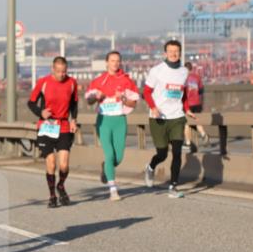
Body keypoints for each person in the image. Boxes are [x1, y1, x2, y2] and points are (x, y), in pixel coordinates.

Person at [143, 40, 196, 198]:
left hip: (177, 117)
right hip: (158, 117)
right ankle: (151, 167)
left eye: (176, 51)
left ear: (180, 53)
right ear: (165, 53)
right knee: (162, 154)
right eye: (170, 51)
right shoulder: (157, 71)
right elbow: (146, 92)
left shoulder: (183, 72)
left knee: (177, 152)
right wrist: (153, 107)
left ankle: (173, 187)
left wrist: (187, 109)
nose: (174, 54)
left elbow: (183, 93)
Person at [85, 51, 139, 201]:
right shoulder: (99, 81)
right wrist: (96, 97)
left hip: (120, 120)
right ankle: (113, 189)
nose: (115, 63)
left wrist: (123, 98)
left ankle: (106, 167)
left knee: (118, 157)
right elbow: (88, 100)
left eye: (117, 61)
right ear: (106, 63)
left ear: (120, 63)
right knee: (109, 154)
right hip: (104, 121)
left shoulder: (126, 81)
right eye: (112, 60)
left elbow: (133, 103)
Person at [28, 56, 79, 208]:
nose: (61, 75)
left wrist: (74, 119)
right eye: (58, 71)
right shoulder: (43, 82)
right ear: (52, 69)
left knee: (64, 165)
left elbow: (74, 104)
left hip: (63, 126)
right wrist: (40, 112)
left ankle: (61, 185)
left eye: (64, 72)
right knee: (51, 164)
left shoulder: (72, 83)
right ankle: (52, 196)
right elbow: (30, 102)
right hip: (46, 126)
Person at [183, 62, 209, 150]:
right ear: (191, 68)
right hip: (197, 102)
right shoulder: (197, 77)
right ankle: (203, 134)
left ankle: (188, 142)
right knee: (196, 120)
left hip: (188, 103)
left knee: (186, 123)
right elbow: (201, 90)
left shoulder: (183, 78)